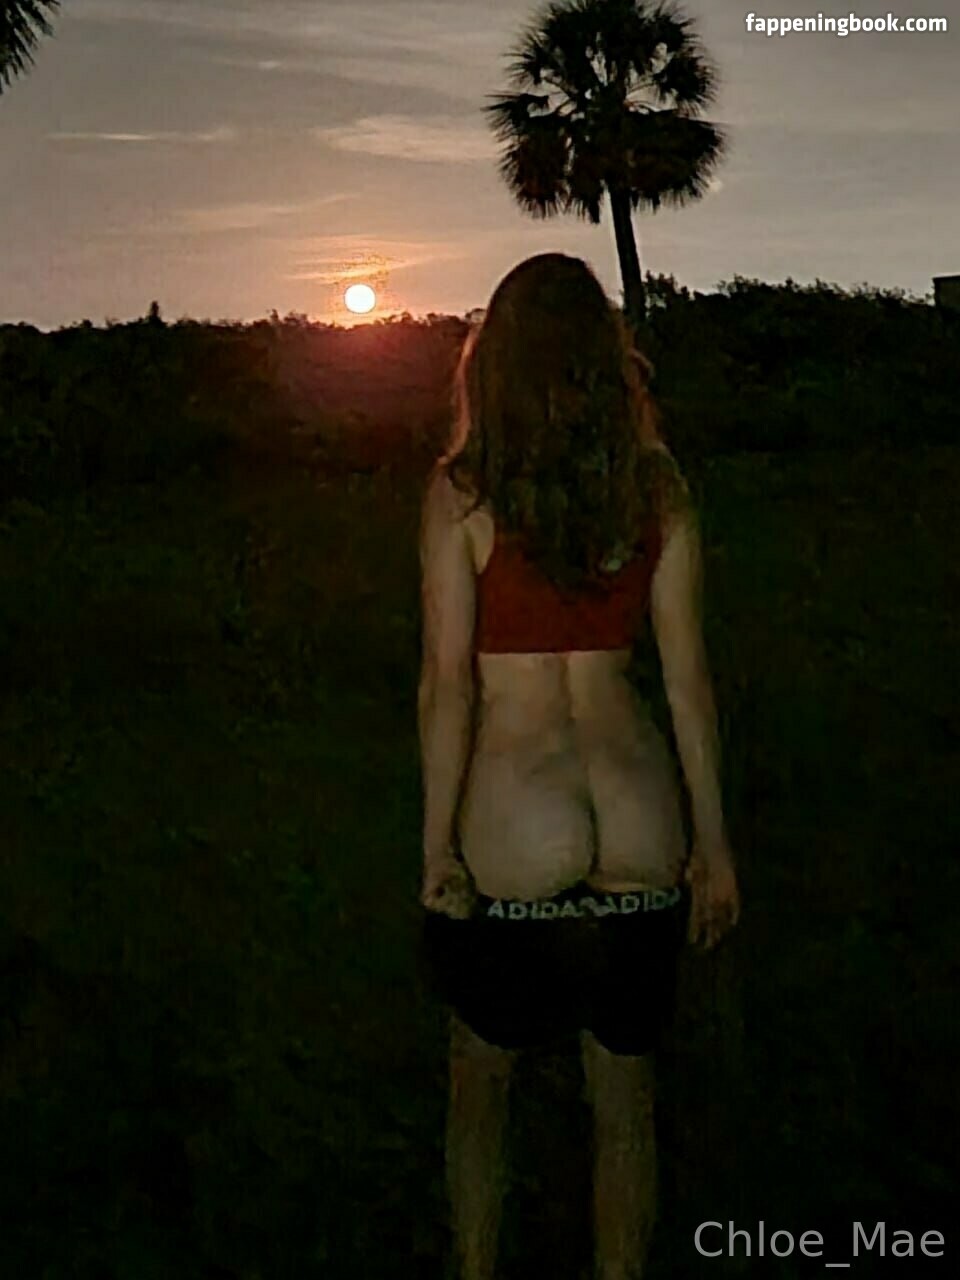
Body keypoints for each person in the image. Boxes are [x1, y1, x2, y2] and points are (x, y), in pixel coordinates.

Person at [417, 253, 740, 1280]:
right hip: (641, 823)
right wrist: (714, 849)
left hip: (517, 830)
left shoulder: (461, 496)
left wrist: (437, 853)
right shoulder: (657, 489)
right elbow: (687, 685)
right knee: (624, 1104)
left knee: (481, 1088)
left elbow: (448, 687)